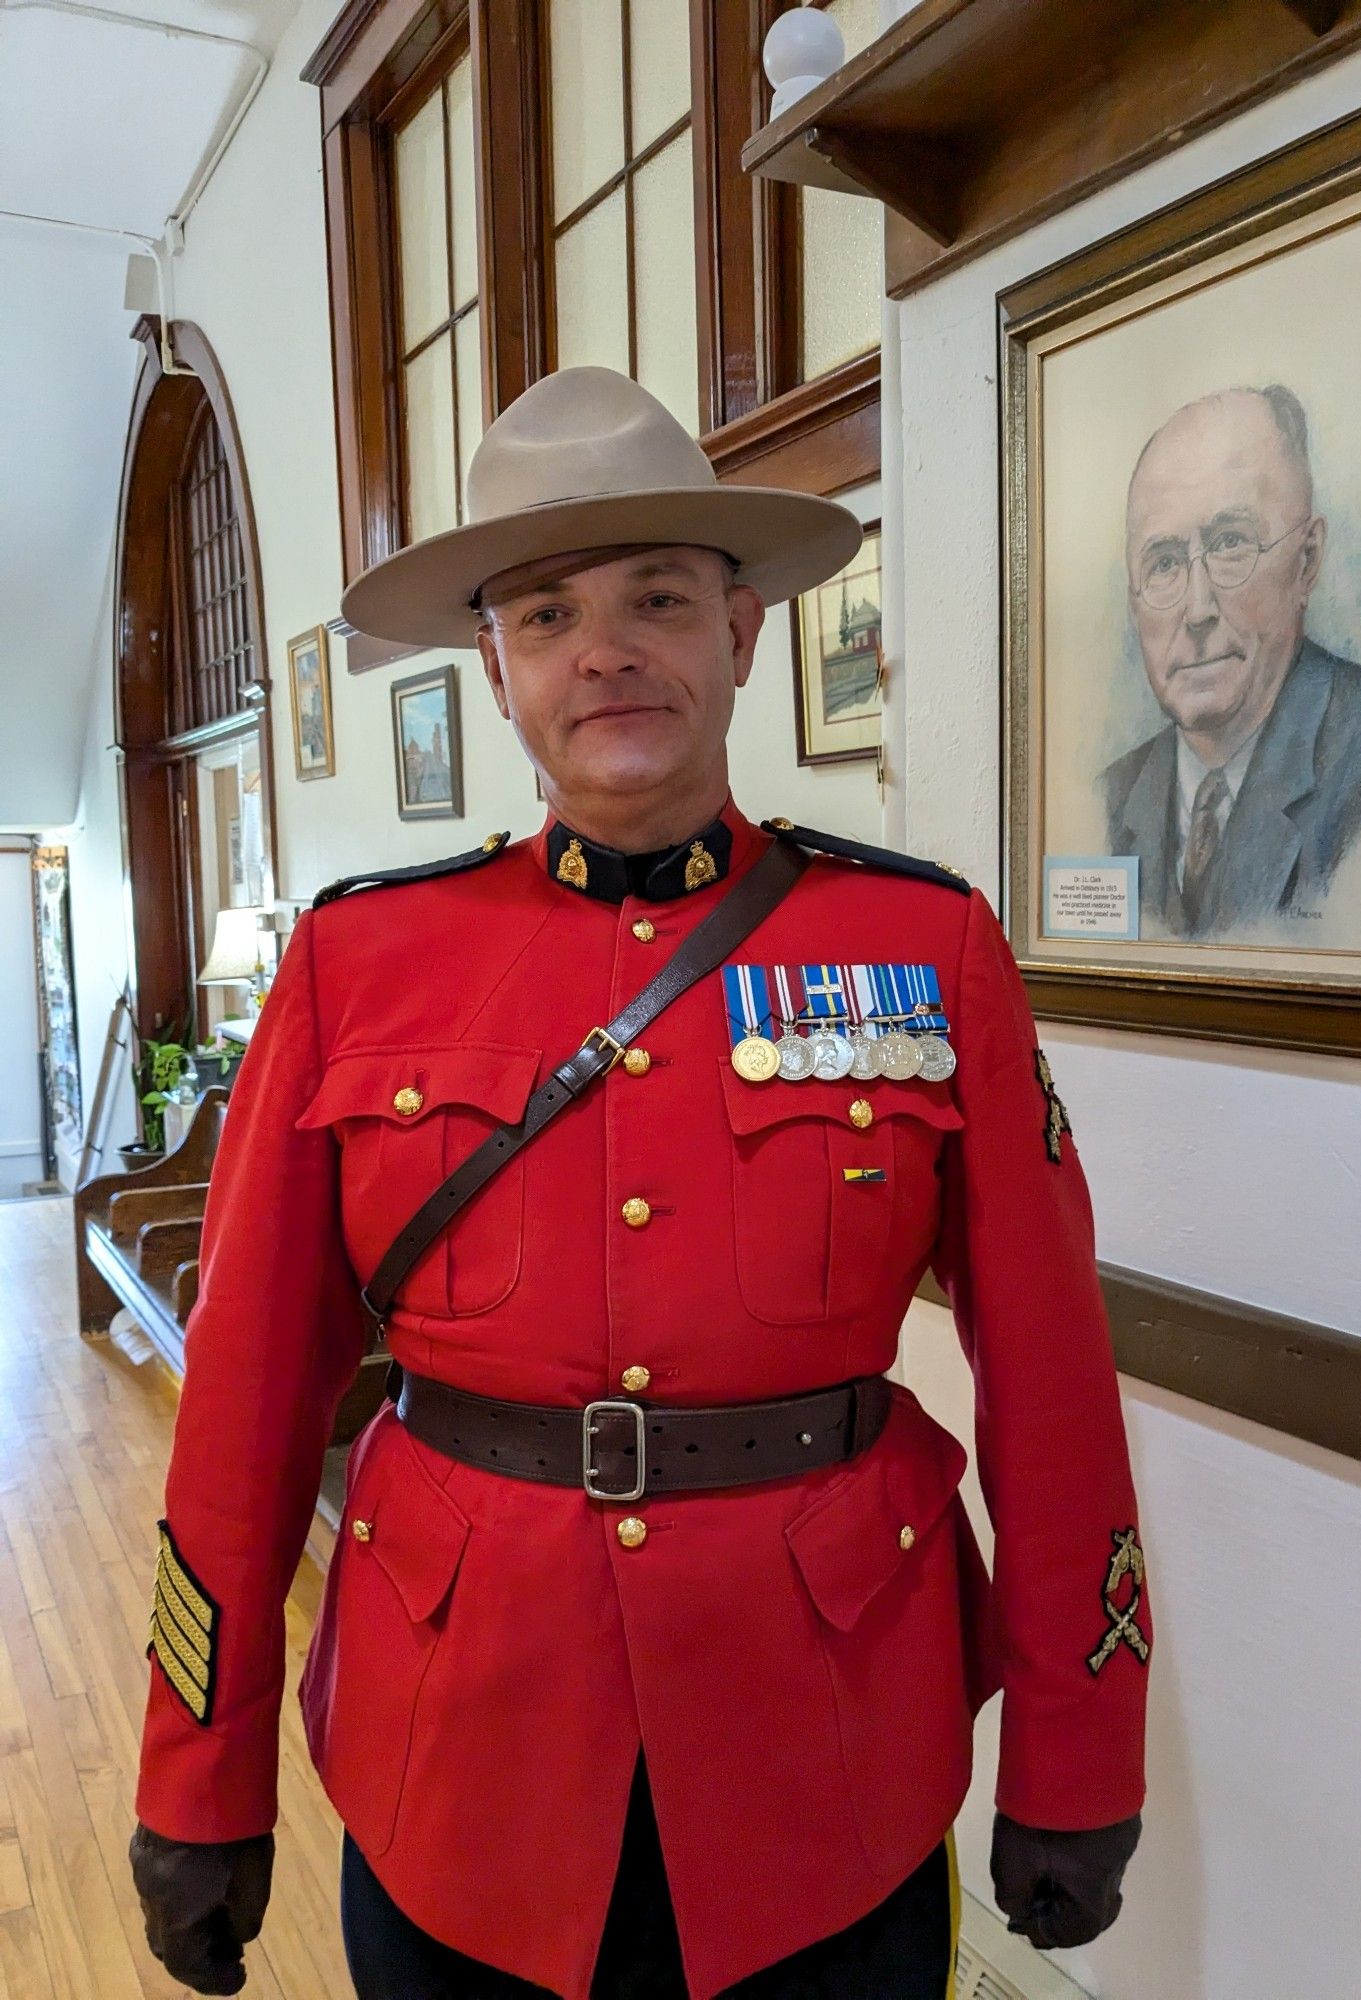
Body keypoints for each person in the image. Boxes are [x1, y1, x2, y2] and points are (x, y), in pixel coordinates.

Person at [129, 366, 1150, 1999]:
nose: (603, 649)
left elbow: (1051, 1374)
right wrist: (200, 1772)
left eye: (657, 597)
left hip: (825, 1758)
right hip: (461, 1753)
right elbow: (244, 1405)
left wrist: (1078, 1749)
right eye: (547, 613)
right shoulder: (358, 963)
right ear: (496, 667)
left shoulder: (921, 946)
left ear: (741, 635)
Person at [1101, 385, 1361, 937]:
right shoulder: (1110, 796)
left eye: (1229, 544)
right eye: (1164, 562)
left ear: (1306, 562)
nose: (1197, 611)